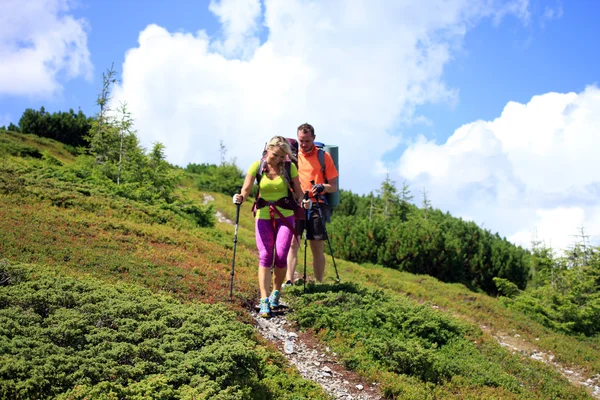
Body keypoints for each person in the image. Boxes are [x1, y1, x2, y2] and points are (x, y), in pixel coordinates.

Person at [233, 136, 311, 318]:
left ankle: (276, 291)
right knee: (266, 255)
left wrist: (305, 202)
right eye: (275, 155)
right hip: (263, 216)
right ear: (268, 149)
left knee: (282, 255)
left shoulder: (289, 167)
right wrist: (239, 198)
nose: (277, 159)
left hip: (286, 215)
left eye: (282, 156)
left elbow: (299, 194)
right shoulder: (257, 166)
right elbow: (245, 190)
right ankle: (264, 299)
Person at [286, 123, 339, 284]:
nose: (303, 144)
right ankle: (289, 280)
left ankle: (318, 282)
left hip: (317, 205)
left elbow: (334, 186)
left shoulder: (324, 157)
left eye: (307, 141)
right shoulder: (293, 157)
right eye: (301, 140)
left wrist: (322, 186)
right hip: (297, 204)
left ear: (314, 139)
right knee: (292, 243)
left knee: (316, 246)